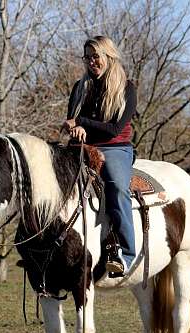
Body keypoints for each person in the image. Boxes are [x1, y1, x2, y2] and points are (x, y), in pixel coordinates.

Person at [62, 35, 137, 275]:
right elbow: (72, 121)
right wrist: (76, 129)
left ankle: (126, 253)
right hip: (82, 148)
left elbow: (115, 128)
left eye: (96, 56)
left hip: (114, 147)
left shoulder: (126, 88)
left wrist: (83, 121)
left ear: (108, 56)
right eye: (87, 57)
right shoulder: (79, 87)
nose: (91, 62)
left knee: (116, 184)